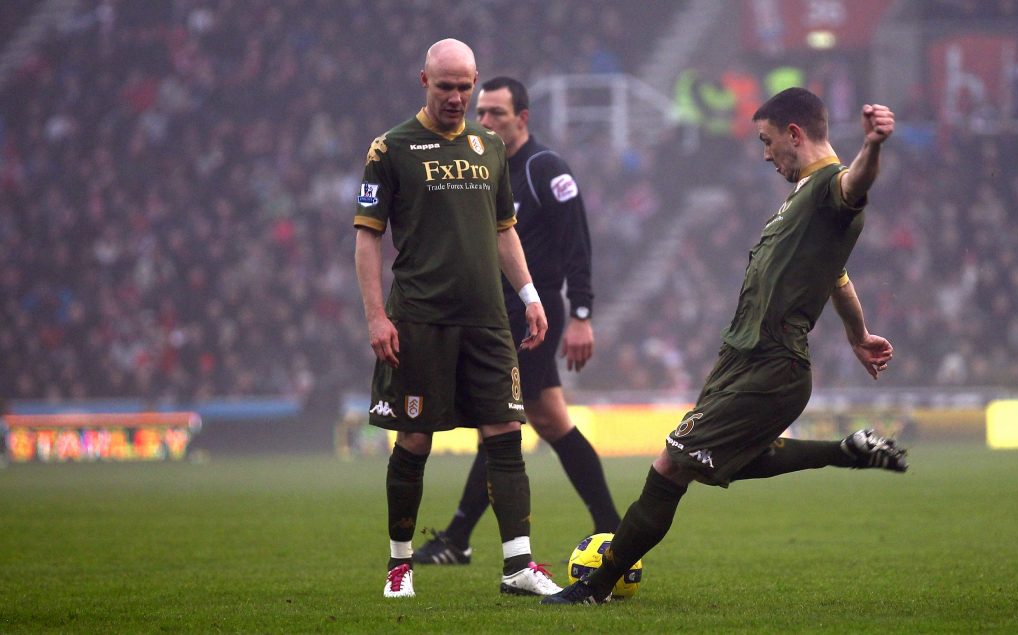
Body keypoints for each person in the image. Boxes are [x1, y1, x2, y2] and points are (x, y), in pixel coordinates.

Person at [542, 88, 908, 605]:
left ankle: (595, 586)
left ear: (794, 135)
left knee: (671, 463)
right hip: (741, 358)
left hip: (773, 363)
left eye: (767, 140)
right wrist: (857, 334)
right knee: (725, 460)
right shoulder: (800, 200)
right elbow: (836, 276)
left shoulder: (830, 185)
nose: (764, 154)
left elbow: (856, 185)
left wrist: (873, 145)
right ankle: (845, 451)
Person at [354, 39, 562, 600]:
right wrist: (377, 316)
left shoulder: (489, 145)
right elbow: (367, 237)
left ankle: (518, 566)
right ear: (423, 80)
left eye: (465, 85)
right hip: (420, 320)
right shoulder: (391, 148)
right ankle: (400, 566)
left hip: (488, 320)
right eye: (445, 85)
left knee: (506, 432)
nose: (456, 96)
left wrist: (530, 294)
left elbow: (504, 230)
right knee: (415, 439)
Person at [413, 77, 620, 567]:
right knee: (549, 419)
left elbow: (578, 244)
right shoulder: (483, 169)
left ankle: (458, 538)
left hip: (533, 314)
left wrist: (583, 315)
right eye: (480, 113)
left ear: (522, 119)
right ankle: (613, 525)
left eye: (495, 114)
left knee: (498, 420)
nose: (483, 121)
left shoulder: (544, 169)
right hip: (493, 312)